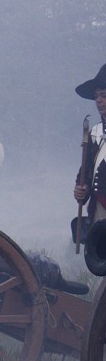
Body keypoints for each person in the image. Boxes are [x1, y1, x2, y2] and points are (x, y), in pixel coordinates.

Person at [73, 63, 106, 235]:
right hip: (100, 210)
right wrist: (82, 189)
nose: (99, 101)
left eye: (104, 96)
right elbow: (85, 173)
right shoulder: (95, 133)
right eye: (96, 97)